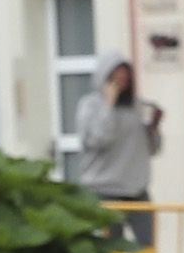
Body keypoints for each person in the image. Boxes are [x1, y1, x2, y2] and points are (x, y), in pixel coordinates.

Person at [65, 55, 162, 237]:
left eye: (125, 77)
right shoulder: (90, 105)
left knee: (147, 246)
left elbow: (153, 149)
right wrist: (108, 105)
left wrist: (154, 128)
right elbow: (99, 140)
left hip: (137, 189)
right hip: (104, 190)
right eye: (115, 77)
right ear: (104, 78)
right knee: (111, 248)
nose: (121, 81)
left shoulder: (137, 107)